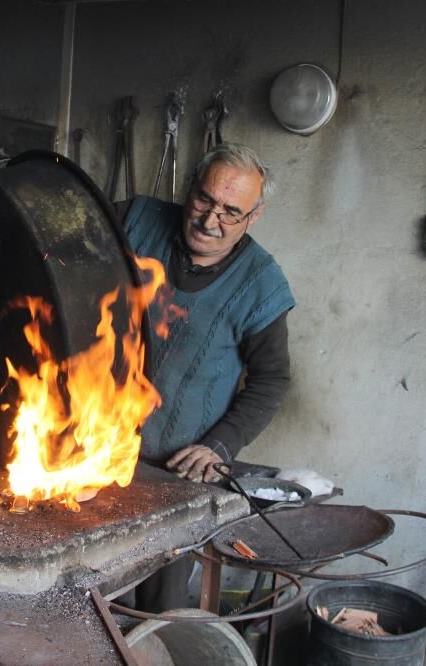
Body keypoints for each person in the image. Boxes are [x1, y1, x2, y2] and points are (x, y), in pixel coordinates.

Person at [120, 143, 295, 612]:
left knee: (158, 602)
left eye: (230, 211)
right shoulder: (135, 220)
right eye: (203, 200)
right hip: (99, 448)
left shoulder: (261, 284)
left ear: (254, 217)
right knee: (88, 588)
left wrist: (220, 445)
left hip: (177, 472)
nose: (209, 219)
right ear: (189, 189)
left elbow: (271, 380)